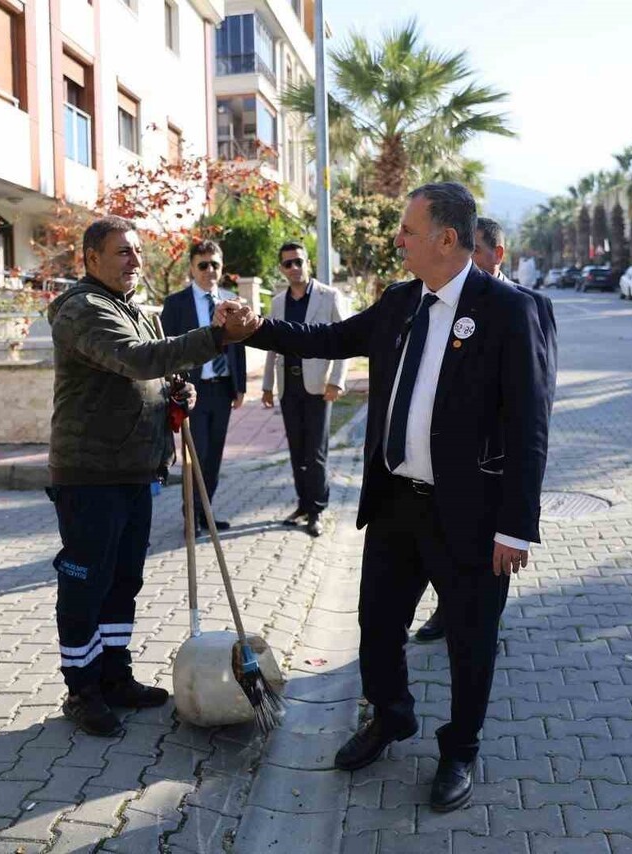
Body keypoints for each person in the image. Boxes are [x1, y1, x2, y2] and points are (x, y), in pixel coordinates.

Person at [224, 183, 552, 812]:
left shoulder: (506, 310)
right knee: (377, 627)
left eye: (407, 230)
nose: (396, 239)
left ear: (446, 240)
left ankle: (460, 749)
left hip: (473, 514)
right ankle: (390, 718)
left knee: (470, 639)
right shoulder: (400, 302)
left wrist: (517, 526)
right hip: (398, 503)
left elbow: (529, 424)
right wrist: (257, 329)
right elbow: (326, 340)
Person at [46, 216, 255, 737]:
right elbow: (136, 361)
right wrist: (214, 337)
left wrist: (175, 395)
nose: (135, 262)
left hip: (135, 470)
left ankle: (116, 675)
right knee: (85, 584)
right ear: (91, 260)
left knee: (124, 580)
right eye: (122, 253)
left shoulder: (138, 309)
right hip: (89, 473)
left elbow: (156, 376)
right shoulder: (82, 310)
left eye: (138, 252)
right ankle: (83, 689)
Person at [413, 215, 558, 642]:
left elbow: (538, 392)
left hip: (491, 461)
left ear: (497, 254)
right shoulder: (440, 300)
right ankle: (447, 610)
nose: (468, 260)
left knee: (482, 577)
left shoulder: (526, 304)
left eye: (475, 251)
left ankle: (482, 628)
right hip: (441, 461)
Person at [161, 240, 248, 535]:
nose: (209, 270)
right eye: (203, 265)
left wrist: (240, 387)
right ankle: (191, 518)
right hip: (192, 392)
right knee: (194, 457)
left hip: (222, 390)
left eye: (215, 264)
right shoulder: (176, 304)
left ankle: (205, 515)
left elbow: (239, 346)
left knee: (213, 458)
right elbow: (167, 350)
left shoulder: (231, 299)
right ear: (191, 268)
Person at [262, 242, 348, 538]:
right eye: (288, 264)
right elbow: (272, 345)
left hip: (318, 385)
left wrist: (337, 381)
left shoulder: (328, 296)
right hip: (289, 384)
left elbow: (343, 340)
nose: (294, 268)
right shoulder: (277, 303)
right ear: (281, 269)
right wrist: (266, 386)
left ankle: (316, 511)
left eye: (298, 261)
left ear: (307, 263)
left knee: (316, 453)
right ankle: (302, 503)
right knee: (297, 451)